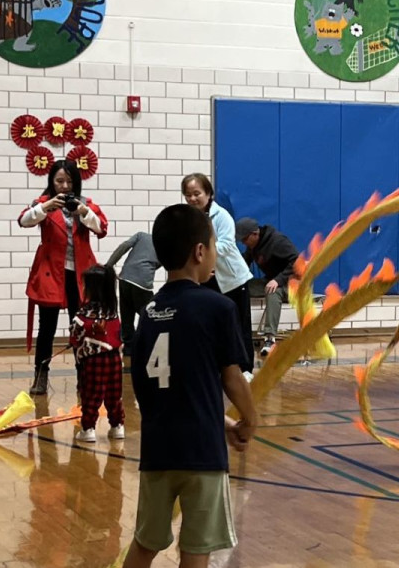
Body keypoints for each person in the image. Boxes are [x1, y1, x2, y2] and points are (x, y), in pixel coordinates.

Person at [125, 204, 258, 568]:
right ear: (200, 251)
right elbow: (232, 377)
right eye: (214, 246)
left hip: (157, 452)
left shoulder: (149, 312)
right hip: (202, 454)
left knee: (145, 543)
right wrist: (250, 419)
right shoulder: (219, 307)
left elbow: (154, 386)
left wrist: (222, 422)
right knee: (196, 549)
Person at [18, 160, 109, 396]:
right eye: (59, 181)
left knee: (81, 327)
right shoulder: (43, 202)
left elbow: (101, 228)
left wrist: (83, 212)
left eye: (69, 181)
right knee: (46, 328)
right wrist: (45, 207)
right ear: (51, 182)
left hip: (81, 275)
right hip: (51, 273)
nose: (65, 186)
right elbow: (23, 221)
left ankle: (83, 376)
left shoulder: (85, 203)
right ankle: (40, 375)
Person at [181, 173, 255, 377]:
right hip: (206, 279)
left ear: (208, 193)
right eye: (188, 194)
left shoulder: (221, 216)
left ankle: (245, 369)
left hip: (232, 279)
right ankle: (216, 367)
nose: (192, 198)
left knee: (239, 326)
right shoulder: (188, 219)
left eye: (197, 193)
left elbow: (226, 245)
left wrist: (203, 254)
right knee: (211, 325)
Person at [70, 264, 125, 443]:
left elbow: (75, 337)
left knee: (91, 395)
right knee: (114, 395)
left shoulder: (84, 313)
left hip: (93, 361)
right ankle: (117, 426)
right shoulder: (113, 312)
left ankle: (88, 429)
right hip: (115, 359)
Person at [235, 217, 299, 356]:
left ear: (255, 234)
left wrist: (278, 280)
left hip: (293, 283)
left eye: (245, 239)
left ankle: (269, 338)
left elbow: (297, 261)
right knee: (240, 287)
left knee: (272, 291)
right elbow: (244, 262)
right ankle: (236, 333)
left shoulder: (277, 241)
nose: (243, 242)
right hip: (271, 280)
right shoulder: (253, 246)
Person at [105, 231, 160, 349]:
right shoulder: (164, 245)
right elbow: (161, 264)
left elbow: (123, 246)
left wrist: (109, 265)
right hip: (142, 284)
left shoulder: (141, 235)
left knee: (127, 318)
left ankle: (128, 351)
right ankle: (145, 346)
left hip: (124, 279)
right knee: (150, 316)